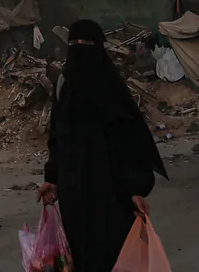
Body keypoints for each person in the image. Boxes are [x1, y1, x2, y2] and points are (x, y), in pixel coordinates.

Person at [37, 19, 169, 271]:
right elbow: (129, 141)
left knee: (92, 255)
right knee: (109, 256)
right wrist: (52, 178)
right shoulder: (102, 84)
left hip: (86, 190)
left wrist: (53, 177)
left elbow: (58, 136)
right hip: (102, 191)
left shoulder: (69, 83)